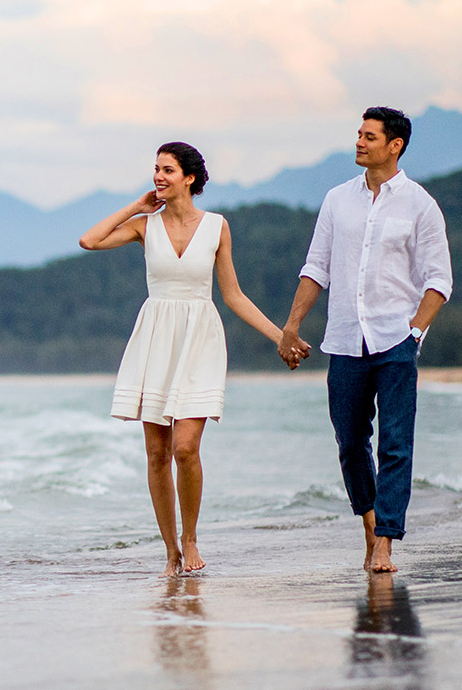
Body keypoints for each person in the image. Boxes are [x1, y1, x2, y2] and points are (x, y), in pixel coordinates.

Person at [80, 142, 302, 575]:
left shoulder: (217, 226)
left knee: (185, 447)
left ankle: (191, 537)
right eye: (155, 170)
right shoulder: (145, 226)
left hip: (200, 337)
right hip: (155, 338)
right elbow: (89, 240)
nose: (158, 177)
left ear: (190, 178)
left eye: (167, 170)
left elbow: (234, 296)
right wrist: (135, 207)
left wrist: (282, 336)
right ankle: (170, 552)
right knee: (157, 452)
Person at [278, 108, 452, 574]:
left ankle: (385, 544)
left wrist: (414, 331)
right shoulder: (337, 200)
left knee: (395, 444)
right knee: (350, 442)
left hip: (396, 340)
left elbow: (439, 280)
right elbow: (317, 267)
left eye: (369, 136)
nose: (359, 141)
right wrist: (292, 325)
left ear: (394, 145)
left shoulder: (420, 205)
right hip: (344, 341)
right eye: (358, 133)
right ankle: (370, 524)